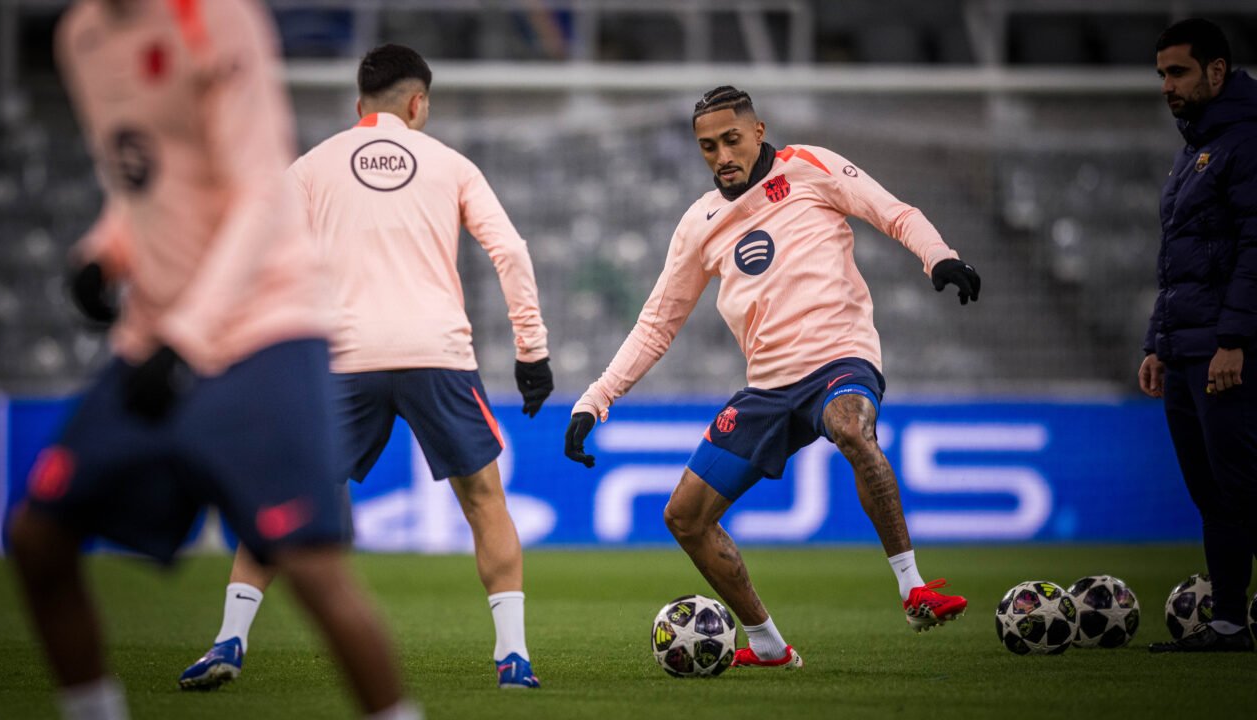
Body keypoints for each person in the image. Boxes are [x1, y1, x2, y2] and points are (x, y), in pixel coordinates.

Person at [11, 1, 418, 718]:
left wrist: (188, 338)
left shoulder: (213, 18)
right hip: (159, 336)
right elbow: (144, 178)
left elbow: (259, 187)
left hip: (263, 330)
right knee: (38, 537)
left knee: (311, 568)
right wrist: (106, 253)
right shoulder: (82, 35)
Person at [563, 86, 980, 668]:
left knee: (852, 430)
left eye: (731, 139)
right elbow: (657, 324)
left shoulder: (810, 167)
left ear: (759, 131)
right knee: (684, 517)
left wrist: (939, 256)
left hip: (840, 357)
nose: (721, 156)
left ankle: (913, 590)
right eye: (708, 147)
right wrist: (595, 398)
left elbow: (895, 212)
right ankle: (767, 644)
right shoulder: (699, 223)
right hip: (768, 387)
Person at [179, 44, 552, 690]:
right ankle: (513, 658)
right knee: (485, 502)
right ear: (418, 103)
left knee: (285, 498)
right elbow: (511, 251)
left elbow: (257, 252)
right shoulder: (451, 164)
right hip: (436, 353)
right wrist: (532, 352)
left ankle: (228, 642)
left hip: (343, 358)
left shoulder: (312, 166)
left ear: (359, 106)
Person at [1140, 18, 1257, 654]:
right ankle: (1229, 624)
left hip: (1225, 350)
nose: (1167, 85)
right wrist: (1157, 342)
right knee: (1214, 496)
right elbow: (1179, 259)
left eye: (1178, 71)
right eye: (1161, 73)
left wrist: (1233, 339)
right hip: (1187, 348)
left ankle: (1232, 621)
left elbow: (1254, 248)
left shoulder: (1246, 140)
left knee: (1241, 490)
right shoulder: (1196, 148)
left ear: (1217, 71)